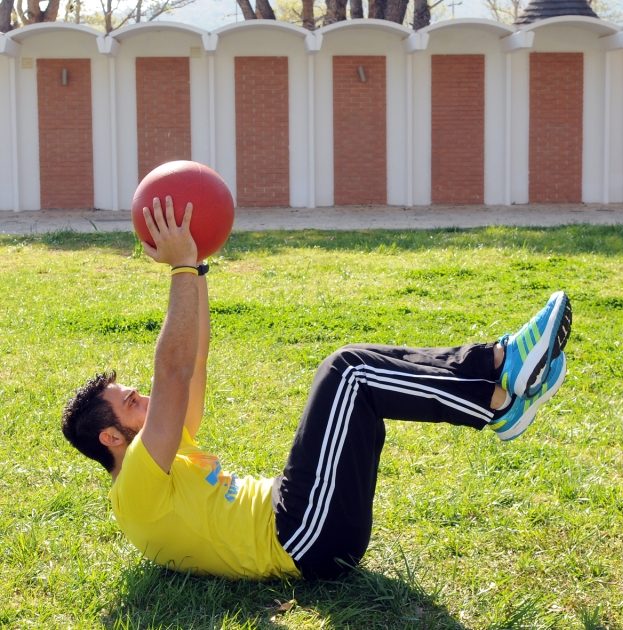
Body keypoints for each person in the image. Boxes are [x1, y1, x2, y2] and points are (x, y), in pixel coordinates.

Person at [61, 198, 572, 580]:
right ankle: (498, 398)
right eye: (131, 402)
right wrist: (177, 267)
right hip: (303, 537)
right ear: (110, 438)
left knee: (356, 377)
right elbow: (170, 374)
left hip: (307, 520)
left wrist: (197, 266)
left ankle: (503, 367)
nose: (145, 399)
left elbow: (192, 361)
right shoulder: (137, 490)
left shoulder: (171, 452)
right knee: (347, 371)